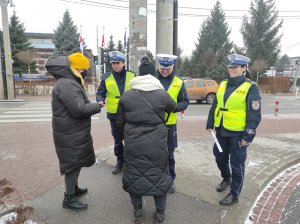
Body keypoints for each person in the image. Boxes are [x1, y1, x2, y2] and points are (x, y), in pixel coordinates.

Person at [116, 57, 177, 224]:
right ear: (153, 75)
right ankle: (160, 213)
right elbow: (174, 107)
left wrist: (123, 137)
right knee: (158, 174)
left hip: (133, 142)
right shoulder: (161, 94)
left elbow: (119, 121)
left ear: (139, 75)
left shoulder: (126, 96)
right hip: (157, 142)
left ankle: (137, 211)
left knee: (135, 174)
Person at [45, 52, 101, 210]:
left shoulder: (68, 81)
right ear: (77, 69)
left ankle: (73, 189)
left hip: (72, 131)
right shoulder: (68, 84)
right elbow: (79, 109)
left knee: (75, 162)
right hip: (70, 133)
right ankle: (68, 198)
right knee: (72, 165)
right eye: (84, 68)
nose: (85, 71)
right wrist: (98, 106)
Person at [206, 53, 262, 206]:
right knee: (219, 157)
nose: (231, 69)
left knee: (237, 164)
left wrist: (248, 136)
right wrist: (210, 123)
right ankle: (226, 177)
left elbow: (254, 115)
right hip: (222, 130)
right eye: (230, 67)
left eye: (235, 67)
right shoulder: (223, 83)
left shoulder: (251, 87)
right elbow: (215, 104)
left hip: (238, 134)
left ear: (244, 68)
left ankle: (234, 193)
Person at [96, 51, 135, 174]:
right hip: (114, 114)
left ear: (123, 63)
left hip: (130, 113)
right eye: (113, 63)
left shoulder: (132, 75)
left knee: (130, 139)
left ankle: (130, 162)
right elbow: (100, 92)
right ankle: (120, 161)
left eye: (117, 63)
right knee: (117, 139)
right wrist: (100, 99)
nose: (115, 65)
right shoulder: (106, 77)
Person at [157, 54, 189, 193]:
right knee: (154, 153)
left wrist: (175, 107)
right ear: (158, 66)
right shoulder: (152, 80)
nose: (165, 71)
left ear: (172, 67)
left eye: (168, 69)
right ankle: (156, 178)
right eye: (162, 68)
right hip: (153, 123)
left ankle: (170, 180)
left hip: (169, 124)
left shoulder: (178, 82)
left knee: (169, 154)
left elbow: (185, 102)